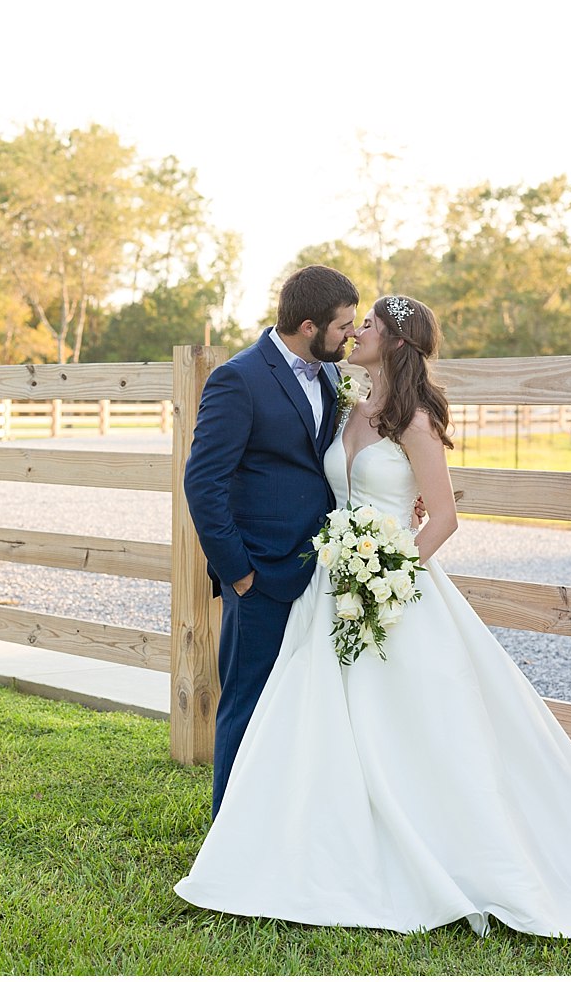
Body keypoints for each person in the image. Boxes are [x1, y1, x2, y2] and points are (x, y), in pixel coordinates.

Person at [174, 295, 571, 937]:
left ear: (395, 343)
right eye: (352, 322)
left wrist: (392, 575)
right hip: (329, 583)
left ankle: (440, 848)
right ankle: (302, 842)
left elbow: (445, 516)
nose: (357, 332)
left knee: (413, 726)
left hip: (393, 589)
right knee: (316, 718)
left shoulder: (414, 420)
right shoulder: (348, 401)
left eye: (368, 325)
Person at [183, 264, 360, 819]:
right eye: (343, 327)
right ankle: (228, 834)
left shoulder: (332, 377)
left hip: (323, 572)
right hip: (259, 575)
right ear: (308, 326)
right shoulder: (239, 378)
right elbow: (202, 483)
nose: (351, 336)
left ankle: (287, 827)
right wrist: (238, 572)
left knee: (304, 705)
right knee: (247, 702)